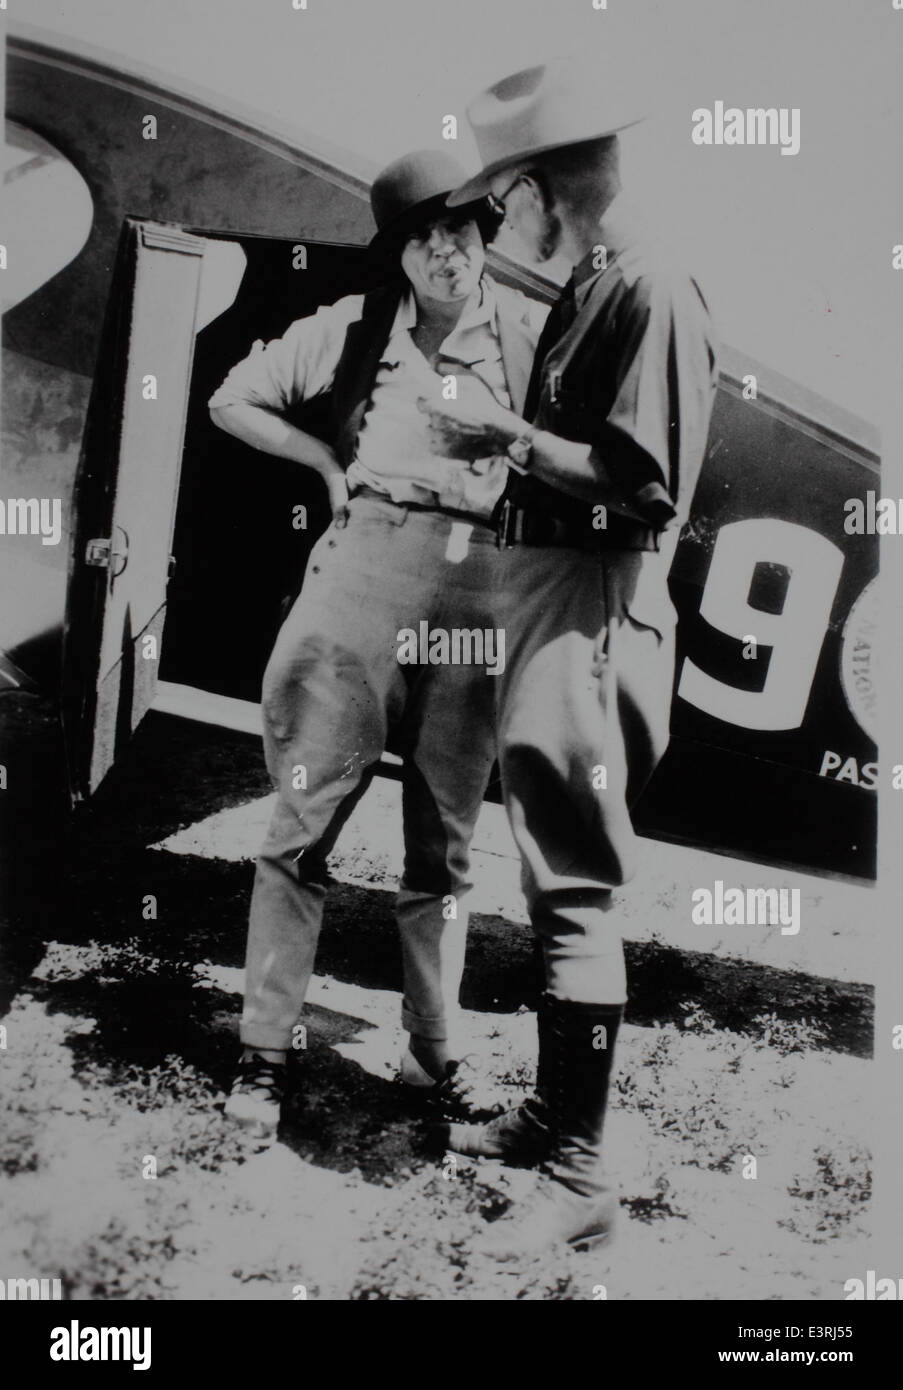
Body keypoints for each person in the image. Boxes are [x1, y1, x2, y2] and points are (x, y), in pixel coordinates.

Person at [420, 58, 719, 1258]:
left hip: (595, 615)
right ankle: (557, 1114)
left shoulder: (652, 286)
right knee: (546, 873)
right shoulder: (600, 277)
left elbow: (644, 493)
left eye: (506, 195)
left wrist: (508, 436)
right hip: (554, 599)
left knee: (575, 892)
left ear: (543, 184)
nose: (503, 218)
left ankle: (585, 1171)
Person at [208, 149, 546, 1141]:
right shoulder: (350, 332)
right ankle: (265, 1051)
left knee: (443, 845)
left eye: (462, 232)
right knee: (299, 824)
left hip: (478, 585)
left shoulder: (528, 342)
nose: (446, 252)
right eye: (423, 236)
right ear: (399, 252)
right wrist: (321, 460)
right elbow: (233, 396)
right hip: (364, 574)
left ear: (486, 240)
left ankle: (431, 1052)